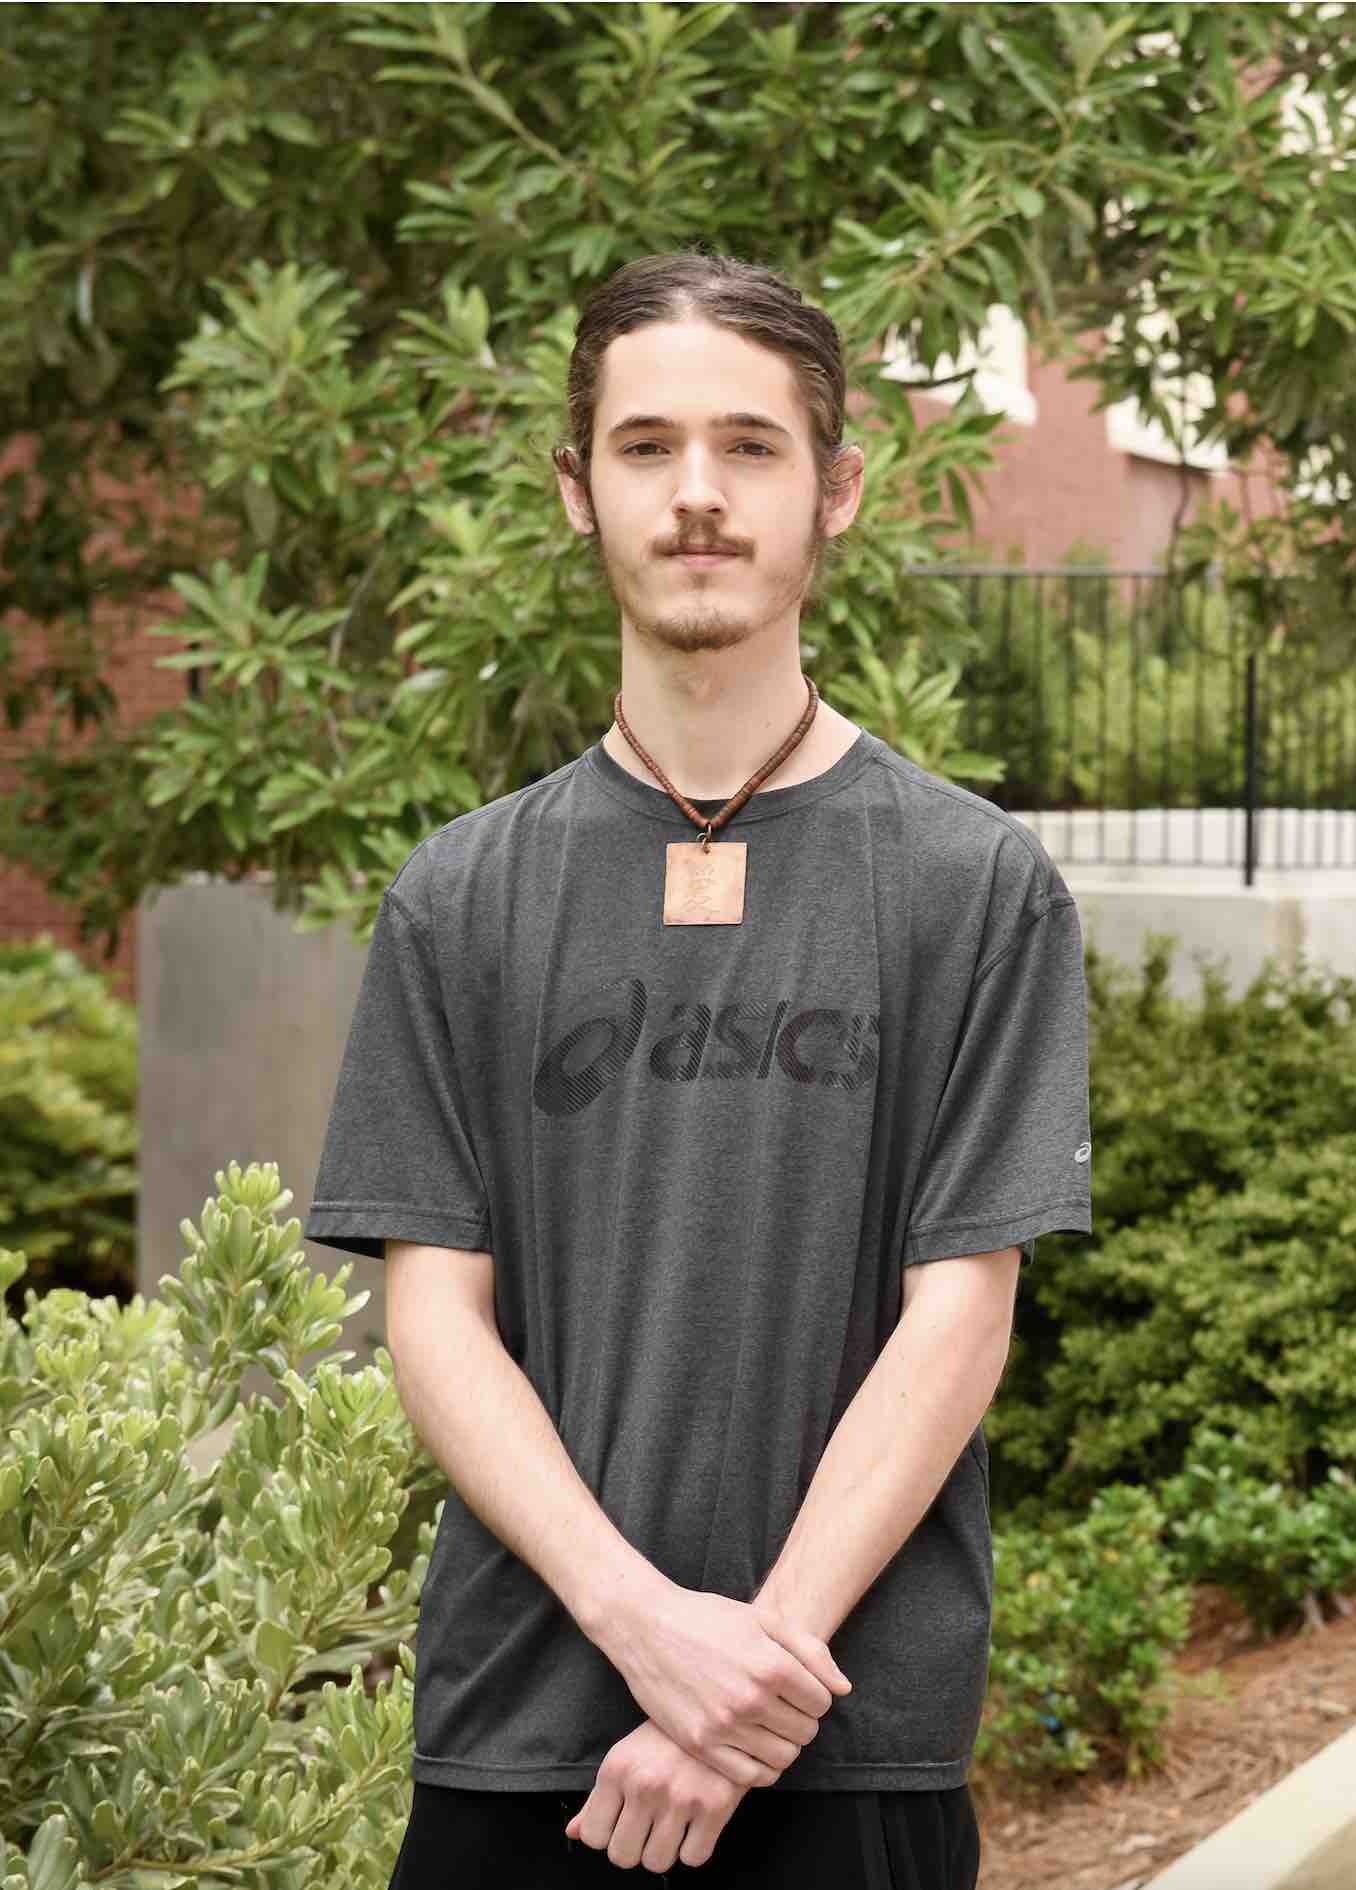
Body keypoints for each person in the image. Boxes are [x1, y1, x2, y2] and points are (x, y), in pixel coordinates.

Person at [307, 252, 1091, 1883]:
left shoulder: (971, 886)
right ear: (577, 492)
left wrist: (749, 1671)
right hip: (527, 1740)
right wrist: (642, 1624)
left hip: (845, 1739)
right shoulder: (461, 898)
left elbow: (962, 1316)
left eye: (751, 447)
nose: (699, 496)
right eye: (647, 446)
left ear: (838, 493)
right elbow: (432, 1314)